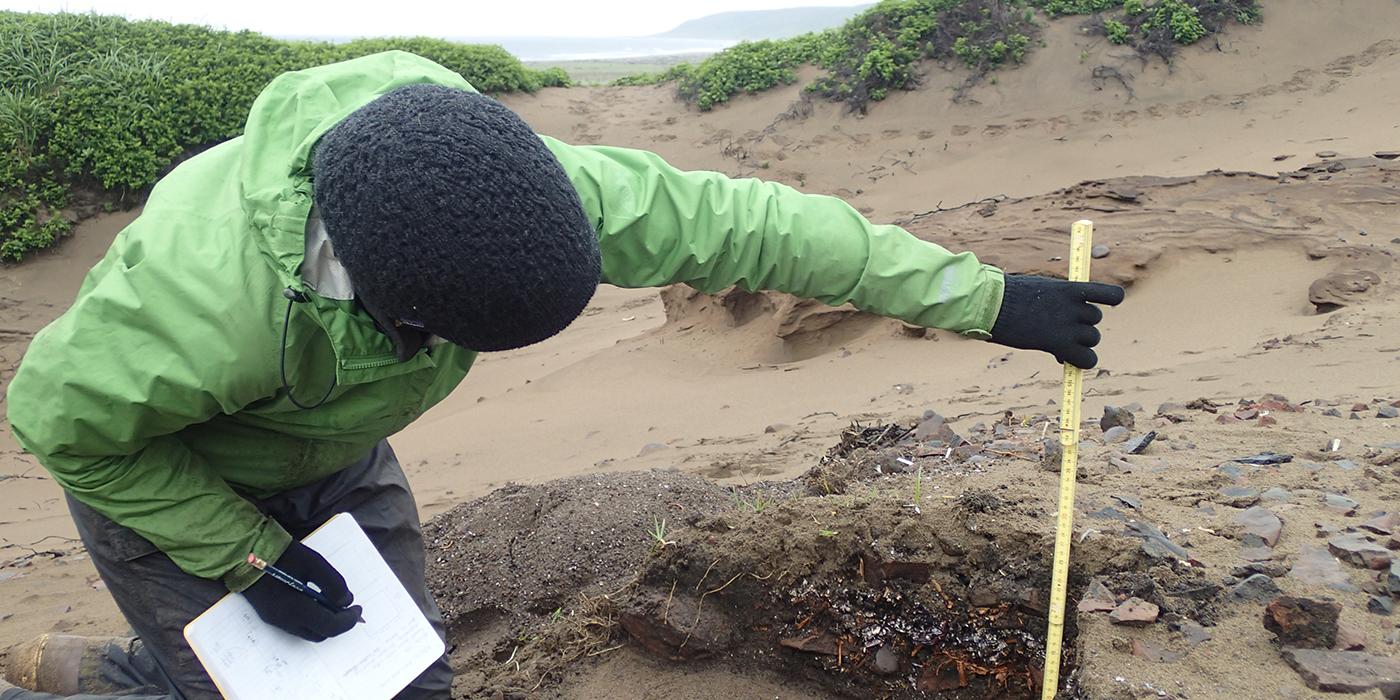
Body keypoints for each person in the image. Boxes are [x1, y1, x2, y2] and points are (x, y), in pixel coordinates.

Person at [2, 50, 1122, 700]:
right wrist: (245, 556)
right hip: (169, 481)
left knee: (406, 683)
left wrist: (983, 300)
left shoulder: (525, 186)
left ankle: (131, 667)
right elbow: (66, 424)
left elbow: (754, 229)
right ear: (387, 306)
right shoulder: (200, 308)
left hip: (335, 454)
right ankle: (125, 671)